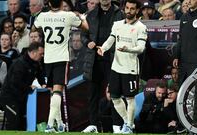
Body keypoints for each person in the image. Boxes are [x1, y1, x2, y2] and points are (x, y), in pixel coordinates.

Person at [33, 0, 88, 133]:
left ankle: (60, 123)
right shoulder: (68, 16)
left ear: (49, 3)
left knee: (53, 92)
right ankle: (50, 125)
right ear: (61, 2)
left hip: (48, 59)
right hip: (61, 58)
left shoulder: (43, 16)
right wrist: (82, 18)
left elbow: (34, 27)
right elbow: (85, 27)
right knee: (57, 91)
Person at [97, 0, 147, 133]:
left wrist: (128, 49)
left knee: (130, 98)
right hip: (116, 67)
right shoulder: (117, 24)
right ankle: (127, 121)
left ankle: (129, 126)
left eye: (132, 9)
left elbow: (141, 48)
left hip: (130, 68)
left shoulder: (141, 27)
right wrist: (103, 48)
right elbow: (111, 39)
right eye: (127, 8)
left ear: (137, 11)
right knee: (114, 97)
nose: (129, 11)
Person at [81, 0, 124, 133]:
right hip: (94, 58)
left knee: (115, 93)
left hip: (113, 58)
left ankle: (117, 125)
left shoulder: (119, 14)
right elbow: (83, 35)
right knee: (93, 94)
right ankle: (94, 124)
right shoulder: (90, 14)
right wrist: (87, 42)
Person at [0, 42, 46, 130]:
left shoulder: (35, 63)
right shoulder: (19, 64)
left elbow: (40, 74)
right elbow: (15, 83)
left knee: (22, 122)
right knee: (14, 121)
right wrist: (29, 88)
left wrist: (43, 84)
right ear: (33, 53)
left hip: (21, 97)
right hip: (10, 97)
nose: (42, 56)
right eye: (41, 54)